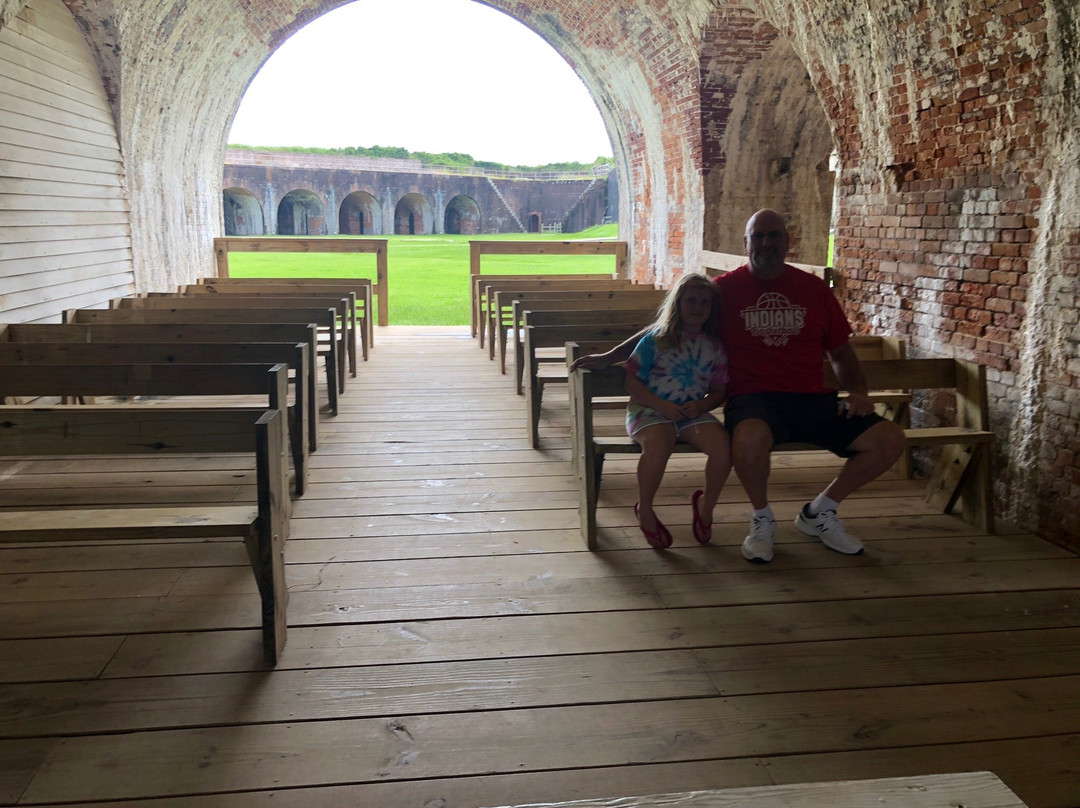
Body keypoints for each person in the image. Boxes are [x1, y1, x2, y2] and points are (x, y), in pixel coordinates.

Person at [571, 209, 906, 562]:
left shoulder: (813, 289)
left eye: (774, 235)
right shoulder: (723, 291)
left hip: (812, 397)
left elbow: (840, 349)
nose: (766, 243)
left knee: (889, 440)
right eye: (758, 236)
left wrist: (857, 393)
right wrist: (610, 356)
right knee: (747, 438)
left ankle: (820, 511)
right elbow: (668, 325)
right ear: (746, 243)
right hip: (754, 398)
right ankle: (762, 517)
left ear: (786, 241)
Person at [623, 272, 731, 549]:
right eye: (691, 301)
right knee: (660, 445)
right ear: (678, 304)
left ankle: (706, 506)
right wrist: (661, 406)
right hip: (649, 409)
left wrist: (703, 405)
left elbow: (720, 389)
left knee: (724, 449)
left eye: (704, 303)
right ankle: (644, 508)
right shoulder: (657, 340)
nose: (697, 307)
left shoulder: (714, 346)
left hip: (692, 412)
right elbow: (632, 380)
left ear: (711, 308)